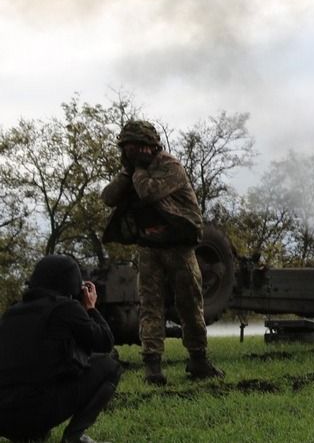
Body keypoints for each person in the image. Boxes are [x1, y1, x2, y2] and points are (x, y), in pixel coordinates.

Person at [99, 119, 222, 385]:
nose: (131, 152)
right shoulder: (133, 171)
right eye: (127, 147)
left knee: (190, 304)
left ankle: (198, 360)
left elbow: (148, 193)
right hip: (150, 248)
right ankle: (152, 367)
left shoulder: (169, 166)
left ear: (150, 147)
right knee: (150, 307)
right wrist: (126, 173)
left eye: (136, 147)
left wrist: (138, 170)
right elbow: (108, 197)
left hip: (178, 246)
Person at [0, 255, 121, 443]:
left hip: (4, 417)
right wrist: (90, 308)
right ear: (71, 283)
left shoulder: (11, 312)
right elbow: (105, 342)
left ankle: (29, 436)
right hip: (36, 410)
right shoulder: (65, 308)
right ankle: (73, 438)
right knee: (110, 366)